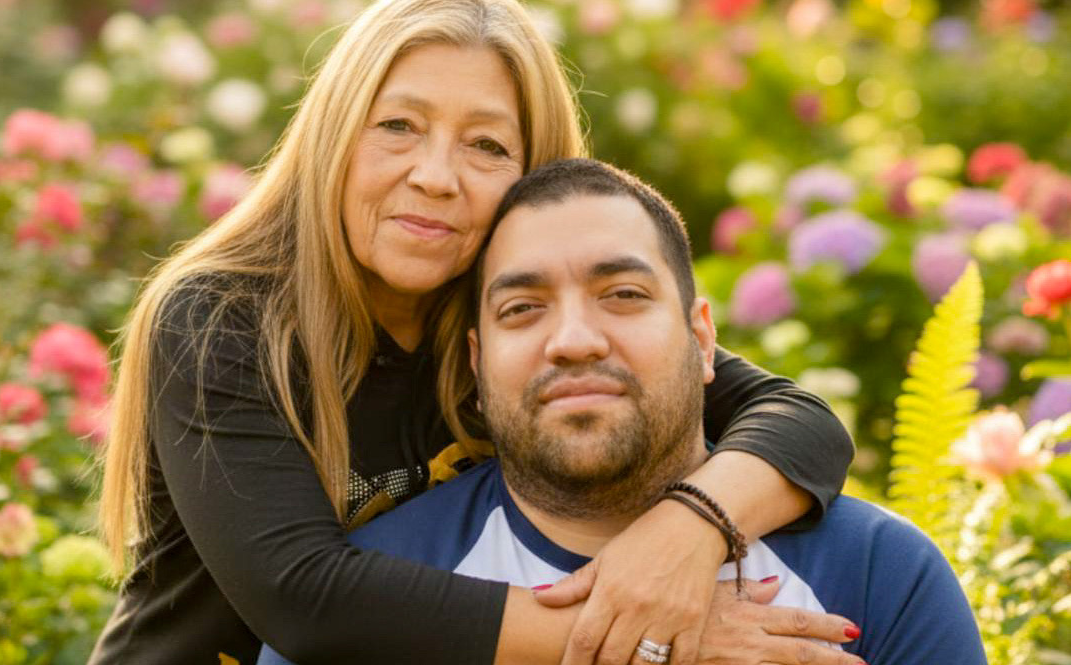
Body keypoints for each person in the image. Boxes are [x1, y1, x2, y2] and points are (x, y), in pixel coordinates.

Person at [90, 1, 855, 663]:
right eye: (398, 126)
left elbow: (799, 422)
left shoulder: (519, 329)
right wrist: (653, 636)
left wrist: (688, 530)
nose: (435, 176)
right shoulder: (219, 316)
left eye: (486, 145)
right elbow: (303, 599)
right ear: (333, 136)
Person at [258, 159, 987, 665]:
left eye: (623, 295)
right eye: (523, 308)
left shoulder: (876, 574)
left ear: (702, 339)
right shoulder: (369, 614)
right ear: (476, 362)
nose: (574, 340)